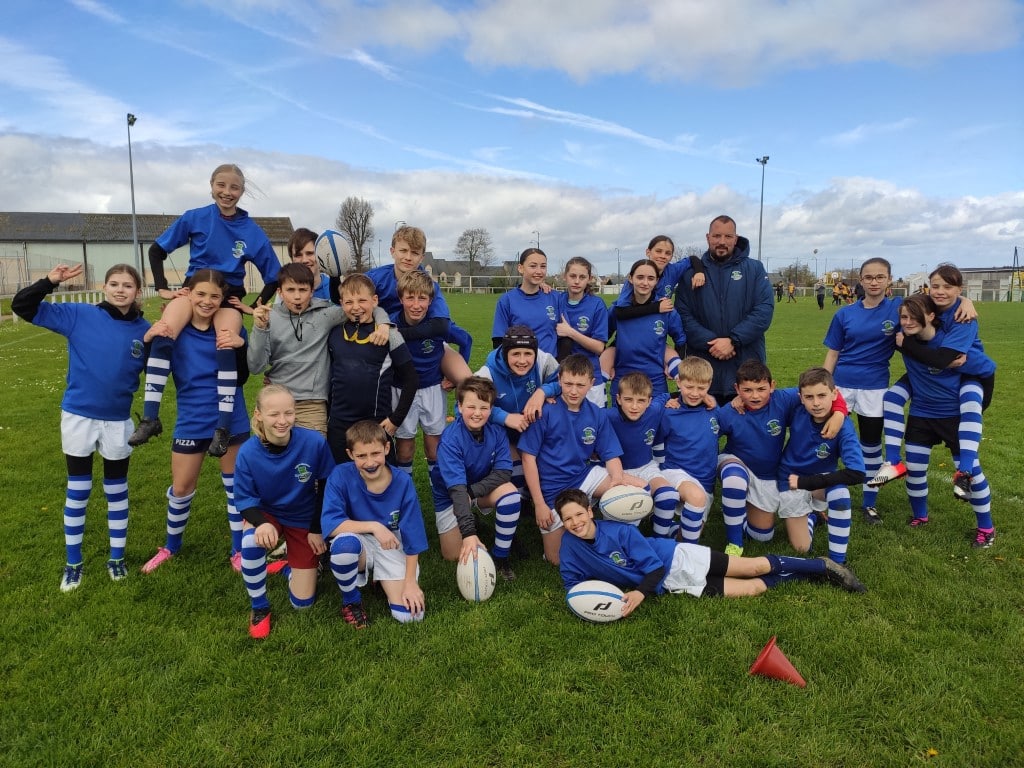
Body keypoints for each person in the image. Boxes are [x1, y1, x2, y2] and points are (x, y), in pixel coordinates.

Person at [12, 263, 150, 592]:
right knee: (79, 490)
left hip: (118, 420)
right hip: (79, 417)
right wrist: (50, 281)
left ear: (137, 291)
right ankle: (73, 562)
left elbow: (169, 364)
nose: (120, 289)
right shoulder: (78, 315)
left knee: (117, 491)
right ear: (104, 287)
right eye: (114, 283)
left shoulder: (145, 331)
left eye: (127, 285)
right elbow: (21, 306)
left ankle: (116, 558)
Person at [131, 164, 280, 457]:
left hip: (228, 296)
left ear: (242, 191)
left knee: (225, 337)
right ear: (211, 186)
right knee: (164, 331)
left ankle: (222, 428)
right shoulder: (195, 217)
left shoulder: (251, 230)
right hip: (194, 291)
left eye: (234, 187)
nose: (227, 192)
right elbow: (156, 250)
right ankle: (150, 417)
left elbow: (273, 276)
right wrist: (162, 287)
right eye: (221, 185)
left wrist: (252, 306)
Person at [555, 489, 866, 610]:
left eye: (579, 514)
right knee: (754, 589)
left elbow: (654, 568)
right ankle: (803, 577)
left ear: (590, 512)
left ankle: (820, 566)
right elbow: (573, 584)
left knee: (755, 568)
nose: (575, 522)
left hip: (676, 559)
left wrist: (638, 593)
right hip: (672, 586)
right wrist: (593, 603)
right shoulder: (569, 547)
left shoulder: (620, 532)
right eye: (568, 519)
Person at [139, 270, 251, 574]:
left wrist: (241, 346)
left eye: (214, 296)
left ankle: (238, 551)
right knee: (181, 487)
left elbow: (245, 374)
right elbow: (144, 364)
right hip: (192, 419)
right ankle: (170, 546)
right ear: (187, 293)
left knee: (235, 489)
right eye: (200, 294)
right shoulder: (174, 329)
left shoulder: (229, 328)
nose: (207, 301)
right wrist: (148, 340)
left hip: (231, 418)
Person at [869, 264, 984, 500]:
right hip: (923, 382)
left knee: (971, 402)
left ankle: (966, 471)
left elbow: (943, 359)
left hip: (969, 373)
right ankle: (892, 462)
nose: (940, 291)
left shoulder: (962, 318)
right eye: (935, 286)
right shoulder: (916, 314)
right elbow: (891, 306)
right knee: (891, 398)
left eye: (947, 287)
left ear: (930, 316)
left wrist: (965, 301)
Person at [890, 294, 996, 547]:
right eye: (903, 317)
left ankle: (986, 528)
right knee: (915, 469)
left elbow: (987, 368)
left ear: (931, 316)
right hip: (922, 414)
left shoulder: (953, 347)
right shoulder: (902, 335)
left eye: (914, 316)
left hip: (953, 417)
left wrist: (965, 300)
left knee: (974, 474)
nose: (907, 321)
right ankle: (920, 516)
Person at [517, 354, 644, 564]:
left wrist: (617, 479)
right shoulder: (545, 412)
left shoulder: (596, 414)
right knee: (556, 559)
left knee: (636, 490)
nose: (573, 391)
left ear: (591, 384)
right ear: (559, 381)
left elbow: (611, 455)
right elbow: (528, 459)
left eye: (580, 385)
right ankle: (581, 523)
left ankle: (614, 536)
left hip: (582, 477)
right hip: (552, 490)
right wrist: (539, 503)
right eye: (568, 384)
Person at [716, 360, 847, 556]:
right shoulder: (729, 412)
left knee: (762, 536)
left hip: (769, 475)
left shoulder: (782, 399)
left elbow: (824, 390)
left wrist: (839, 413)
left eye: (761, 389)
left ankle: (810, 517)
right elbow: (704, 433)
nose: (755, 395)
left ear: (772, 386)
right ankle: (734, 544)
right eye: (747, 390)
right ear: (737, 389)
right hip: (737, 462)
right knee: (734, 478)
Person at [234, 385, 335, 639]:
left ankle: (288, 568)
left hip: (302, 517)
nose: (282, 421)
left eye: (288, 413)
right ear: (258, 415)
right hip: (268, 514)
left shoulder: (313, 442)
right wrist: (261, 524)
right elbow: (244, 500)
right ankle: (259, 607)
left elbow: (326, 486)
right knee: (250, 541)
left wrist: (316, 528)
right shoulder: (247, 452)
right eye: (274, 414)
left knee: (303, 604)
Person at [247, 262, 389, 437]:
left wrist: (383, 324)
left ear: (312, 291)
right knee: (274, 459)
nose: (297, 296)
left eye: (303, 290)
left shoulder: (325, 314)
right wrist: (261, 328)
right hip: (277, 401)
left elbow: (364, 308)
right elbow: (255, 367)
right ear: (280, 292)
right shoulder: (269, 317)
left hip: (311, 405)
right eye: (290, 290)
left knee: (312, 459)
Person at [391, 270, 472, 545]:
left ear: (430, 300)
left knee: (434, 444)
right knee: (404, 446)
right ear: (400, 298)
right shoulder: (390, 325)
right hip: (401, 392)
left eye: (422, 298)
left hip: (432, 390)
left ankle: (440, 496)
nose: (416, 304)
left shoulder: (438, 325)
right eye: (410, 297)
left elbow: (466, 339)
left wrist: (452, 376)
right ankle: (404, 498)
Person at [322, 420, 428, 627]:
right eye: (361, 456)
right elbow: (331, 524)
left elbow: (413, 536)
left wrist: (410, 583)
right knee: (344, 548)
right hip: (358, 540)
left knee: (411, 617)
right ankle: (351, 601)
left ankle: (380, 579)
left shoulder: (402, 482)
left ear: (387, 448)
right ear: (350, 454)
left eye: (375, 453)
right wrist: (375, 526)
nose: (370, 462)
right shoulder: (340, 475)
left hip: (391, 543)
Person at [674, 215, 774, 403]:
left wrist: (733, 340)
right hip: (702, 372)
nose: (722, 242)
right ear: (708, 237)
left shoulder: (755, 269)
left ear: (736, 239)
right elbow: (682, 315)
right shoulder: (691, 273)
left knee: (745, 431)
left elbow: (764, 311)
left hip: (746, 369)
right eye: (717, 236)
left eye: (728, 237)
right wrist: (713, 342)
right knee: (701, 431)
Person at [775, 367, 865, 565]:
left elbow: (857, 473)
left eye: (822, 395)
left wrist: (806, 482)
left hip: (814, 482)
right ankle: (813, 517)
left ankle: (837, 562)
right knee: (802, 548)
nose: (816, 403)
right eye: (809, 397)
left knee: (840, 493)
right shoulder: (796, 406)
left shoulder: (843, 426)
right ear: (801, 397)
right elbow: (765, 394)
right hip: (789, 479)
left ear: (834, 394)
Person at [325, 273, 418, 463]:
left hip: (375, 422)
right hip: (338, 423)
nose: (356, 307)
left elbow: (411, 379)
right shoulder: (334, 333)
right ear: (341, 303)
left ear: (374, 300)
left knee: (381, 478)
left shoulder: (388, 334)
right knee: (338, 476)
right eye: (349, 302)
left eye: (362, 300)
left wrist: (395, 420)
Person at [434, 377, 521, 579]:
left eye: (484, 407)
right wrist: (468, 534)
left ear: (491, 409)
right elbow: (456, 491)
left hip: (477, 490)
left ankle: (501, 557)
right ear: (459, 406)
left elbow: (503, 473)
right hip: (450, 496)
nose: (477, 413)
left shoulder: (497, 432)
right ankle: (472, 522)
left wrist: (472, 493)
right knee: (453, 556)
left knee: (510, 494)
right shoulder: (450, 439)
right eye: (471, 406)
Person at [366, 225, 473, 388]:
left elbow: (441, 325)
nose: (408, 257)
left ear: (422, 257)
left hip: (425, 339)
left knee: (468, 381)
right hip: (384, 340)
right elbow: (348, 299)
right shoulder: (374, 279)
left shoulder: (428, 285)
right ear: (392, 251)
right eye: (403, 251)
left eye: (414, 253)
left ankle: (464, 411)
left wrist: (394, 332)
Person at [475, 325, 560, 491]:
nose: (522, 361)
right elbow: (463, 407)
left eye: (528, 353)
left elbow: (564, 381)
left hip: (532, 427)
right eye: (515, 354)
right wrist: (504, 417)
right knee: (516, 479)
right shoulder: (487, 373)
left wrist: (542, 392)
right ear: (506, 354)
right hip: (503, 433)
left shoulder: (543, 360)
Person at [653, 357, 722, 542]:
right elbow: (652, 441)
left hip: (705, 480)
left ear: (709, 385)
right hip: (675, 471)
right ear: (678, 382)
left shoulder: (714, 410)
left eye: (701, 388)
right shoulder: (669, 411)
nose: (694, 393)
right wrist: (668, 397)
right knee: (696, 497)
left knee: (687, 533)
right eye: (689, 387)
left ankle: (670, 534)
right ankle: (667, 548)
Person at [605, 372, 681, 534]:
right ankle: (621, 532)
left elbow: (671, 394)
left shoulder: (654, 410)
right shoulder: (607, 417)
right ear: (618, 399)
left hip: (646, 467)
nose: (634, 406)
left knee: (669, 496)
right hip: (617, 472)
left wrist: (705, 398)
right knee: (629, 507)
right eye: (628, 399)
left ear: (649, 401)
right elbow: (583, 412)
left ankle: (659, 540)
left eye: (641, 401)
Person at [604, 259, 685, 398]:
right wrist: (608, 362)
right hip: (623, 379)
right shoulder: (617, 309)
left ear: (657, 281)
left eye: (651, 278)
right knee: (619, 419)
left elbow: (681, 339)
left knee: (655, 418)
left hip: (655, 382)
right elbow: (602, 337)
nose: (645, 282)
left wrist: (672, 364)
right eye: (640, 277)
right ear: (630, 278)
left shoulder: (666, 309)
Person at [555, 256, 609, 406]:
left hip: (590, 378)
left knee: (594, 425)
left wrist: (570, 332)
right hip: (564, 378)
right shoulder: (556, 300)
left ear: (589, 279)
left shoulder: (596, 305)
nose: (577, 281)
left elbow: (599, 347)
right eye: (572, 276)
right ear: (564, 276)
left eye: (582, 277)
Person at [492, 247, 558, 357]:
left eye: (543, 266)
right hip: (520, 366)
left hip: (550, 368)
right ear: (520, 268)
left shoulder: (555, 297)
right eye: (533, 266)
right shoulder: (507, 300)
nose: (539, 271)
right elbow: (499, 341)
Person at [287, 227, 334, 302]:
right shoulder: (285, 292)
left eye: (310, 253)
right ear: (292, 259)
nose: (304, 260)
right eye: (298, 255)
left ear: (319, 255)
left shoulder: (335, 289)